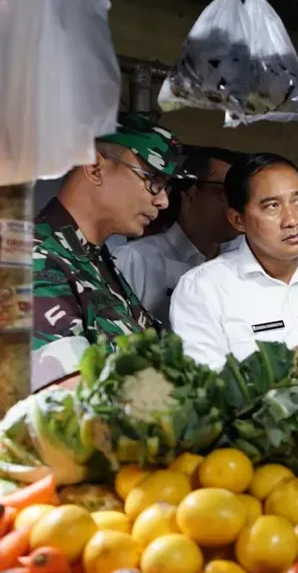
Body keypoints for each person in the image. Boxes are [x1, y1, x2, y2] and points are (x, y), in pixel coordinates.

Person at [32, 113, 187, 391]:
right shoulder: (36, 261)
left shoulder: (93, 258)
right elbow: (70, 399)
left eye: (166, 187)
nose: (163, 200)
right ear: (94, 167)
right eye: (153, 180)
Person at [170, 153, 298, 368]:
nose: (292, 220)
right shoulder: (203, 288)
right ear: (238, 219)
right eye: (272, 206)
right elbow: (208, 388)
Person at [113, 147, 243, 326]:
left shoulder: (245, 263)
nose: (236, 204)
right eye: (224, 192)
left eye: (241, 195)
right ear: (189, 192)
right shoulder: (134, 260)